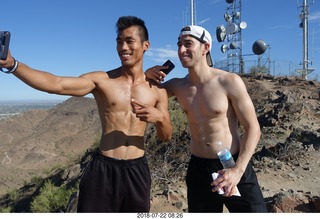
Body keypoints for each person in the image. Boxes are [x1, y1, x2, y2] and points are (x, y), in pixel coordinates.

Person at [0, 16, 172, 212]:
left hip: (137, 170)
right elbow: (56, 84)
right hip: (103, 169)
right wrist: (13, 65)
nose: (123, 47)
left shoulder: (158, 91)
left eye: (129, 41)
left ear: (146, 45)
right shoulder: (102, 80)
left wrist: (159, 118)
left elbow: (166, 136)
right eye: (119, 42)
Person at [146, 25, 267, 212]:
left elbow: (253, 129)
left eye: (188, 44)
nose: (181, 50)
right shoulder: (178, 86)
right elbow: (144, 94)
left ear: (206, 47)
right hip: (199, 168)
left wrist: (237, 171)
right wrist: (146, 76)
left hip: (233, 163)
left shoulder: (229, 81)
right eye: (179, 44)